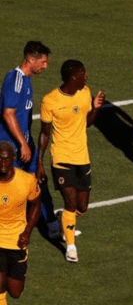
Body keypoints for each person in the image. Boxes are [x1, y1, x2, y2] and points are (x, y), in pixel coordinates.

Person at [36, 60, 105, 263]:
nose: (86, 77)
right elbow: (44, 133)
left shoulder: (85, 92)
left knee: (81, 207)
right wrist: (40, 162)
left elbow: (87, 123)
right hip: (61, 158)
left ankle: (65, 219)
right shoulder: (50, 100)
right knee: (70, 202)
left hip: (82, 157)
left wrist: (96, 108)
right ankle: (71, 247)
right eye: (83, 74)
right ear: (73, 77)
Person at [0, 41, 61, 238]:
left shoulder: (26, 80)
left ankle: (52, 224)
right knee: (9, 188)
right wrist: (22, 144)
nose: (46, 66)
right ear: (31, 59)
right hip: (11, 148)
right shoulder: (15, 79)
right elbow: (8, 113)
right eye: (43, 62)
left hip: (25, 144)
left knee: (38, 181)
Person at [0, 141, 42, 305]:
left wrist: (27, 232)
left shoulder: (26, 181)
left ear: (13, 159)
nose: (3, 162)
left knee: (15, 292)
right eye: (0, 158)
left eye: (6, 158)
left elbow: (36, 204)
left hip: (17, 243)